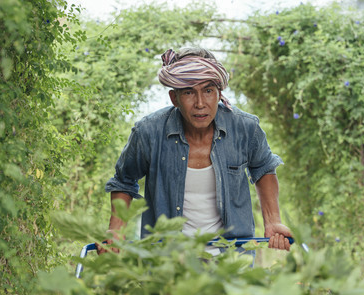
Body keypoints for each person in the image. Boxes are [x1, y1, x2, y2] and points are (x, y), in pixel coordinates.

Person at [101, 47, 292, 255]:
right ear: (174, 98)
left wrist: (273, 221)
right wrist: (115, 231)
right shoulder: (149, 132)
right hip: (167, 260)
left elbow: (263, 169)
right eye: (189, 92)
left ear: (219, 93)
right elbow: (124, 180)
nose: (200, 103)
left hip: (232, 258)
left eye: (208, 91)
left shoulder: (245, 128)